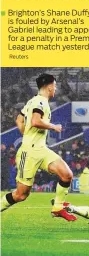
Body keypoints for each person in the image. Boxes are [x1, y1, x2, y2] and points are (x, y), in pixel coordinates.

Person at [0, 74, 76, 221]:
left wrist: (25, 132)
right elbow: (35, 121)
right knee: (21, 194)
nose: (56, 88)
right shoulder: (40, 102)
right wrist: (53, 127)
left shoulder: (32, 101)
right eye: (55, 85)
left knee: (67, 174)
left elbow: (19, 119)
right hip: (29, 152)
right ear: (49, 86)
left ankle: (58, 207)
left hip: (41, 149)